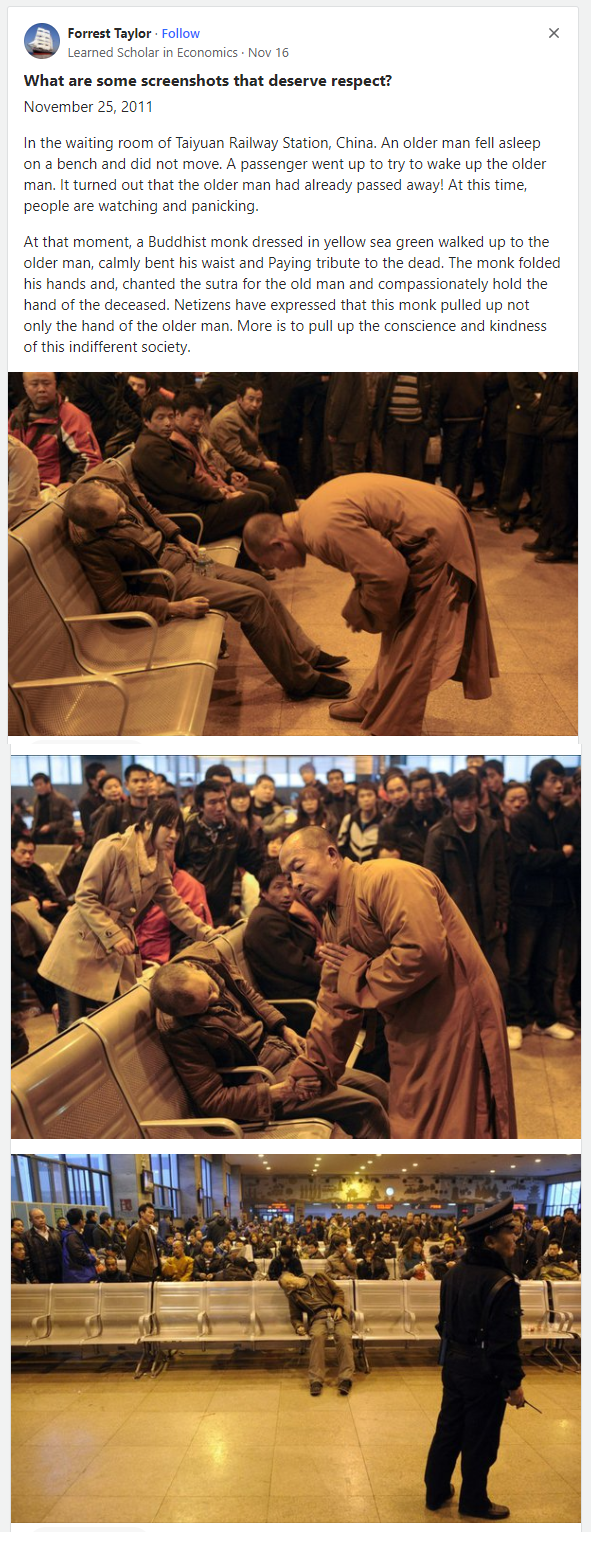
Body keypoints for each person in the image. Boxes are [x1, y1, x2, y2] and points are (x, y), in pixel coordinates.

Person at [278, 827, 517, 1138]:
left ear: (332, 855)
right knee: (410, 1119)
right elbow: (336, 999)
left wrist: (358, 972)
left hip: (456, 1012)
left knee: (455, 1125)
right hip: (410, 1023)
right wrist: (314, 1068)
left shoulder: (388, 877)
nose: (296, 884)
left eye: (299, 868)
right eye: (288, 878)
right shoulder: (333, 918)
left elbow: (423, 951)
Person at [243, 473, 498, 733]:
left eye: (270, 563)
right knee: (402, 630)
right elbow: (372, 566)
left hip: (436, 533)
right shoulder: (309, 515)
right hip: (435, 517)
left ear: (278, 544)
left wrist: (369, 614)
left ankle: (396, 727)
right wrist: (363, 606)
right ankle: (372, 702)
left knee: (414, 637)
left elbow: (388, 574)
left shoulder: (322, 531)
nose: (278, 570)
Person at [65, 476, 350, 707]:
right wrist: (175, 608)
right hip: (168, 581)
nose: (124, 512)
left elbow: (148, 510)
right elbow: (116, 602)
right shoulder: (92, 543)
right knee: (251, 601)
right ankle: (300, 681)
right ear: (95, 525)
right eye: (116, 516)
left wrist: (178, 535)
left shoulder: (113, 486)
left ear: (104, 488)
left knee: (258, 583)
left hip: (180, 556)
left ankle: (307, 653)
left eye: (119, 505)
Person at [149, 942, 390, 1138]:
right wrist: (278, 1093)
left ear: (194, 967)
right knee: (365, 1107)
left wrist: (283, 1028)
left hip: (284, 1052)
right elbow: (212, 1099)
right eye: (205, 1008)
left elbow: (249, 995)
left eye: (211, 991)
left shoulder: (210, 959)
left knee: (377, 1086)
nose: (215, 1000)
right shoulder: (177, 1030)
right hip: (264, 1081)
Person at [38, 802, 218, 1030]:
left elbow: (173, 904)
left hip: (114, 951)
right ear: (148, 823)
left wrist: (207, 934)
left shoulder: (159, 859)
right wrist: (113, 935)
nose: (174, 835)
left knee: (114, 1022)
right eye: (168, 827)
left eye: (178, 829)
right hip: (80, 945)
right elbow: (85, 897)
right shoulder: (113, 847)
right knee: (72, 1024)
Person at [424, 1198, 525, 1520]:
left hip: (453, 1365)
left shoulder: (454, 1274)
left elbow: (442, 1322)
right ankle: (474, 1501)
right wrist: (514, 1385)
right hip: (484, 1373)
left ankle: (435, 1492)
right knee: (480, 1439)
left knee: (449, 1430)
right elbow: (504, 1342)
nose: (516, 1237)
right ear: (489, 1240)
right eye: (509, 1231)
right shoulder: (502, 1282)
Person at [506, 758, 579, 1044]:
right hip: (527, 902)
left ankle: (544, 1019)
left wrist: (546, 855)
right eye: (553, 780)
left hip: (560, 902)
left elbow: (579, 859)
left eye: (562, 779)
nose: (560, 785)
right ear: (538, 785)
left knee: (549, 967)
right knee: (520, 966)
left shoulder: (571, 817)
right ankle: (515, 1019)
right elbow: (524, 860)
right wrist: (562, 853)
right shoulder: (524, 819)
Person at [423, 770, 510, 1001]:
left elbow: (501, 873)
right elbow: (432, 883)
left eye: (471, 798)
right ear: (451, 801)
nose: (467, 805)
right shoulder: (440, 834)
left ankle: (501, 1023)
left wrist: (502, 910)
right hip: (458, 916)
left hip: (489, 914)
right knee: (464, 979)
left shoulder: (490, 827)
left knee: (499, 973)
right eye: (461, 799)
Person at [131, 390, 265, 539]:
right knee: (256, 500)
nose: (168, 423)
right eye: (160, 418)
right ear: (146, 421)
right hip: (187, 517)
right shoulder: (151, 447)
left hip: (194, 505)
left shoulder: (159, 440)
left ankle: (250, 557)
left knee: (255, 498)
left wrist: (223, 486)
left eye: (170, 417)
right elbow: (182, 485)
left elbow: (196, 471)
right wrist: (220, 494)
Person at [244, 858, 322, 1031]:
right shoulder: (265, 920)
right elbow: (296, 966)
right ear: (263, 892)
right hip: (294, 1002)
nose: (287, 893)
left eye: (289, 885)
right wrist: (331, 975)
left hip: (302, 989)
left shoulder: (277, 913)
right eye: (278, 887)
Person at [182, 780, 263, 924]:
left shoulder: (236, 830)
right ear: (200, 806)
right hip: (190, 909)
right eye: (212, 802)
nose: (220, 807)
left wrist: (274, 884)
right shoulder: (187, 832)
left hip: (221, 910)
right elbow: (175, 871)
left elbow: (255, 863)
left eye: (222, 800)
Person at [209, 380, 298, 513]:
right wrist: (262, 465)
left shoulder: (251, 413)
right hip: (233, 467)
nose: (255, 404)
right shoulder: (228, 419)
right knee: (276, 481)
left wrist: (266, 462)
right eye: (251, 399)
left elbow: (256, 447)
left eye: (259, 400)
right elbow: (234, 456)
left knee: (281, 470)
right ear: (239, 398)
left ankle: (294, 511)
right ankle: (289, 518)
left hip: (246, 462)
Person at [8, 371, 102, 486]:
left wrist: (70, 483)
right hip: (21, 490)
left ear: (55, 384)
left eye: (46, 383)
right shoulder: (16, 418)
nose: (41, 389)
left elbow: (91, 459)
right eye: (34, 384)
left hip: (55, 493)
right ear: (25, 387)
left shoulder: (71, 416)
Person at [279, 1271, 355, 1396]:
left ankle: (345, 1379)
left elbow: (338, 1292)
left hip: (336, 1313)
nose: (290, 1287)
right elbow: (295, 1317)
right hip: (318, 1318)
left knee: (344, 1336)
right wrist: (299, 1327)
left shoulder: (320, 1277)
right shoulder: (293, 1296)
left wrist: (339, 1308)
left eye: (289, 1283)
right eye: (287, 1287)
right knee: (317, 1337)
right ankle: (316, 1380)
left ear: (293, 1275)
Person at [373, 372, 438, 480]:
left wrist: (426, 425)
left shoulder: (426, 374)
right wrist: (384, 425)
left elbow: (435, 398)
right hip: (393, 428)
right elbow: (379, 400)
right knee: (392, 474)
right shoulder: (388, 374)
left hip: (417, 429)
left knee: (414, 474)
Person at [379, 768, 445, 864]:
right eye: (416, 791)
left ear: (434, 791)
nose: (421, 797)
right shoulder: (393, 822)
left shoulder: (446, 817)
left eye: (426, 791)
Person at [91, 763, 152, 844]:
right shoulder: (114, 812)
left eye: (144, 780)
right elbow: (99, 845)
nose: (140, 785)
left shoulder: (157, 811)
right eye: (135, 781)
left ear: (149, 783)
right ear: (126, 785)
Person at [337, 782, 384, 863]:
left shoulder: (384, 822)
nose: (366, 799)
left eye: (369, 795)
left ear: (376, 797)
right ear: (357, 799)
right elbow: (340, 845)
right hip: (351, 869)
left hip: (373, 870)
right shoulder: (349, 819)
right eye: (361, 796)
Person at [30, 773, 74, 844]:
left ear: (48, 784)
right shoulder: (36, 800)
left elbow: (69, 821)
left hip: (55, 837)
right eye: (35, 785)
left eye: (40, 784)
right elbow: (35, 819)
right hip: (38, 837)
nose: (38, 788)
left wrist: (50, 827)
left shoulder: (61, 800)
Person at [62, 1208, 103, 1282]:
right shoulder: (72, 1236)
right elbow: (80, 1255)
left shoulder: (71, 1234)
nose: (85, 1220)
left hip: (77, 1274)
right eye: (83, 1218)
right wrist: (94, 1259)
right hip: (78, 1275)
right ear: (80, 1221)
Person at [24, 1208, 63, 1284]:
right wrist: (32, 1278)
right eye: (37, 1218)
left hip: (59, 1273)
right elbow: (26, 1259)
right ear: (30, 1220)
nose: (41, 1220)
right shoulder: (26, 1237)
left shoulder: (55, 1233)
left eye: (42, 1217)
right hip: (41, 1276)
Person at [125, 1203, 161, 1281]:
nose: (153, 1215)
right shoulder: (136, 1229)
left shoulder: (150, 1229)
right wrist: (128, 1270)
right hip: (141, 1271)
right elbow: (129, 1252)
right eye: (150, 1212)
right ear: (142, 1213)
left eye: (153, 1213)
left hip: (153, 1270)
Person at [78, 762, 108, 835]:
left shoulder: (106, 795)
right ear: (92, 780)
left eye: (106, 775)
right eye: (101, 776)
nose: (106, 779)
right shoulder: (86, 800)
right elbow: (88, 827)